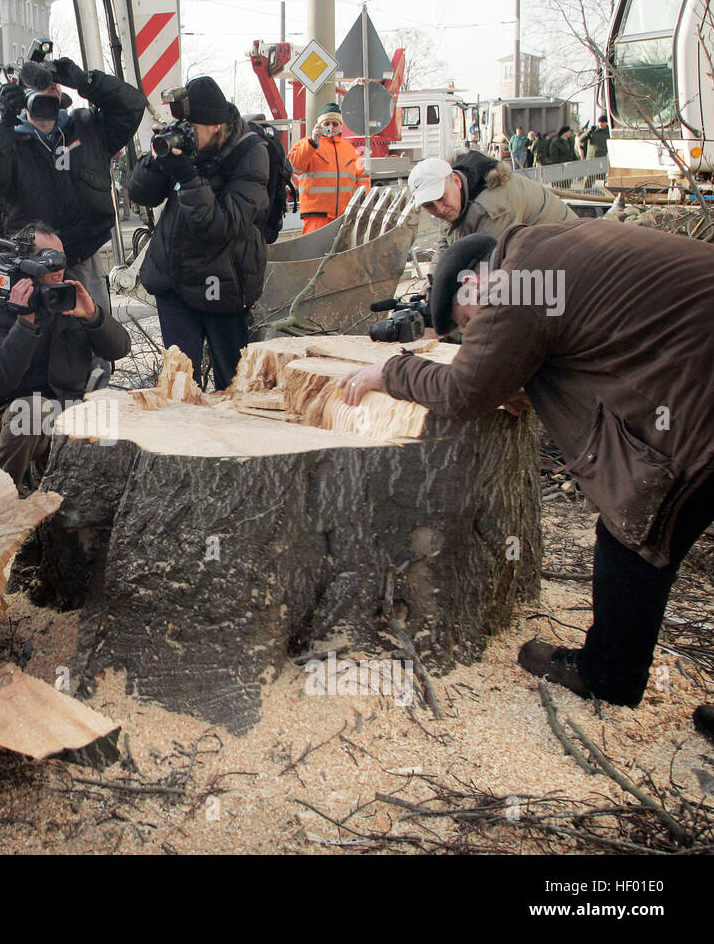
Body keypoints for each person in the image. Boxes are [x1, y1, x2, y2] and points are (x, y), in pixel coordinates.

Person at [338, 220, 714, 734]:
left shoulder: (518, 284)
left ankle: (607, 674)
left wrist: (390, 373)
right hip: (694, 363)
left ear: (473, 284)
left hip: (700, 394)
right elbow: (593, 341)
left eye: (465, 323)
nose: (471, 334)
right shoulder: (553, 245)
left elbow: (465, 392)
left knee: (635, 520)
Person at [0, 52, 145, 312]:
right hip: (32, 268)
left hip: (84, 260)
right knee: (36, 343)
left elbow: (132, 105)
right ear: (23, 96)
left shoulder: (87, 128)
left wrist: (85, 81)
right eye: (38, 88)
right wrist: (6, 120)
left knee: (96, 338)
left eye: (52, 85)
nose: (47, 93)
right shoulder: (9, 142)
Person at [126, 76, 269, 392]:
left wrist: (187, 177)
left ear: (217, 125)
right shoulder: (186, 144)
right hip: (175, 283)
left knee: (231, 387)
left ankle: (231, 441)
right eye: (183, 124)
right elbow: (140, 194)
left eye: (193, 127)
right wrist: (155, 159)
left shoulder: (250, 153)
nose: (186, 132)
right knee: (179, 385)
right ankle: (183, 441)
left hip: (223, 285)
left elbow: (221, 226)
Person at [0, 223, 131, 489]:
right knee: (33, 411)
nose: (58, 269)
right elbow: (0, 379)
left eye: (61, 259)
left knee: (113, 419)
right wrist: (25, 324)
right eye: (48, 260)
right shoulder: (3, 310)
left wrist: (94, 317)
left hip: (70, 410)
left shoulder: (71, 296)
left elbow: (119, 349)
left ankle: (67, 498)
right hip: (13, 413)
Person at [408, 150, 574, 252]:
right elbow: (446, 245)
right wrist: (433, 282)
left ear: (457, 181)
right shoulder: (455, 199)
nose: (440, 210)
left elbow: (492, 267)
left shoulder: (493, 206)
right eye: (429, 205)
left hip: (572, 252)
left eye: (441, 198)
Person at [287, 102, 369, 235]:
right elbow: (294, 167)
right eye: (326, 124)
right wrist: (312, 143)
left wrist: (359, 205)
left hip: (345, 216)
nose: (331, 127)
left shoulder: (350, 150)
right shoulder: (307, 144)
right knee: (314, 253)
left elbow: (363, 177)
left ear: (341, 126)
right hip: (316, 216)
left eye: (335, 124)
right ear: (319, 125)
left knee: (342, 254)